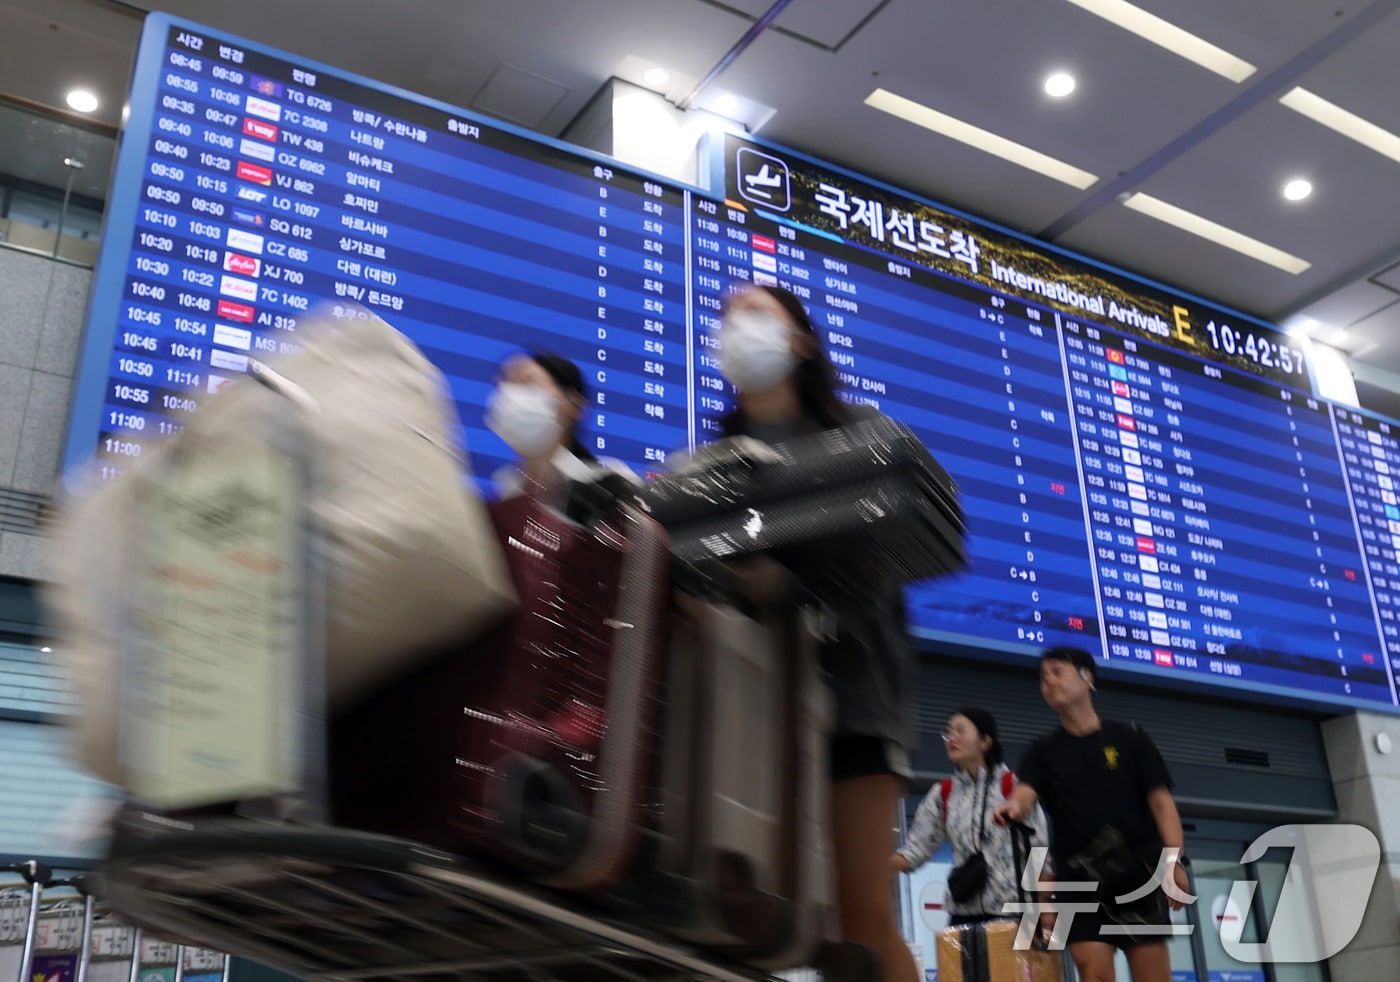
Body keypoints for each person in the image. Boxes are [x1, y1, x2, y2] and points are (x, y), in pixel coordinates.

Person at [711, 283, 920, 982]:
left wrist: (783, 586)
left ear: (801, 341)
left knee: (860, 919)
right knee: (758, 912)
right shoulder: (716, 465)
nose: (736, 324)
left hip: (853, 701)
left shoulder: (858, 434)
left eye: (756, 312)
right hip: (758, 706)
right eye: (727, 315)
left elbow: (877, 566)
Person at [994, 647, 1191, 982]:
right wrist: (1013, 807)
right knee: (1094, 973)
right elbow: (1025, 794)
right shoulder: (1042, 751)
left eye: (1057, 672)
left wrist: (1175, 863)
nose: (1048, 681)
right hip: (1080, 882)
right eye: (1043, 677)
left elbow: (1162, 804)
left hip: (1139, 876)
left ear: (1087, 677)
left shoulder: (1130, 736)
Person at [891, 707, 1049, 925]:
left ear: (985, 741)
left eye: (961, 731)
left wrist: (1043, 906)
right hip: (962, 914)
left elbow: (1039, 847)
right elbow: (916, 849)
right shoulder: (943, 793)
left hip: (1012, 912)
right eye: (948, 732)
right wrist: (878, 868)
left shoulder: (1013, 787)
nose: (951, 738)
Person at [485, 351, 638, 505]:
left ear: (574, 404)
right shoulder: (501, 497)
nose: (510, 396)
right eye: (505, 385)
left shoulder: (612, 484)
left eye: (527, 382)